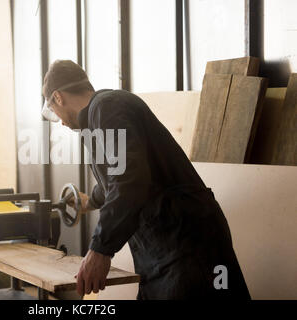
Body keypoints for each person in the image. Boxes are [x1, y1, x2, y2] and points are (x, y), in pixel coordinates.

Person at [41, 60, 251, 300]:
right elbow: (120, 176)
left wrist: (100, 249)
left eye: (53, 113)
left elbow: (129, 179)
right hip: (166, 247)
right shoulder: (98, 119)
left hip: (186, 245)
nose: (60, 123)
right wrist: (90, 201)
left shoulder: (107, 108)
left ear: (57, 97)